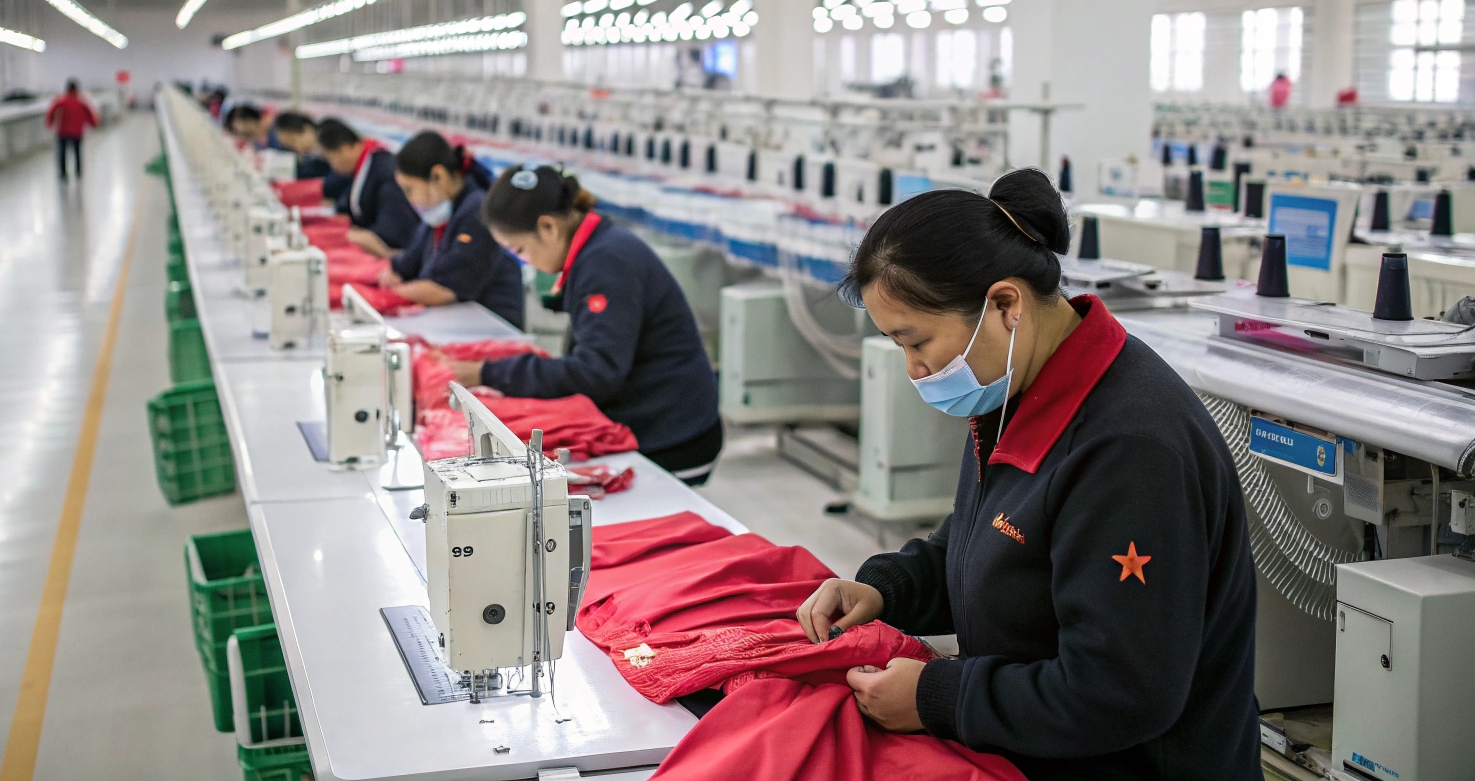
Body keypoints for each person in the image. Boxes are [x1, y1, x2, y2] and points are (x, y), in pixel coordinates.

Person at [796, 168, 1259, 781]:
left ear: (1005, 304)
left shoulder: (1128, 450)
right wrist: (887, 591)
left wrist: (937, 696)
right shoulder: (1016, 390)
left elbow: (1120, 693)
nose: (914, 369)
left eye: (917, 341)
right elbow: (987, 549)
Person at [450, 164, 723, 485]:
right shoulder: (595, 246)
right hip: (652, 413)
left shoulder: (605, 264)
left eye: (519, 251)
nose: (523, 262)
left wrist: (490, 373)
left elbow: (597, 372)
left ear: (548, 227)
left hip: (674, 435)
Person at [377, 131, 524, 328]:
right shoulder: (440, 215)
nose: (409, 199)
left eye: (410, 189)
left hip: (489, 328)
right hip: (455, 322)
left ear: (437, 176)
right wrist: (396, 273)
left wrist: (384, 296)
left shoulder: (478, 212)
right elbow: (407, 263)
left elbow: (444, 290)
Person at [316, 118, 421, 257]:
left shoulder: (385, 173)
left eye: (331, 159)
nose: (332, 166)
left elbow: (394, 234)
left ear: (345, 148)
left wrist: (363, 236)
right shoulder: (366, 166)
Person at [45, 79, 99, 180]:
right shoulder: (81, 101)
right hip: (77, 132)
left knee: (62, 153)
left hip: (63, 132)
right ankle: (78, 171)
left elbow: (52, 110)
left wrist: (50, 123)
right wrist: (94, 124)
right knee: (77, 152)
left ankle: (63, 173)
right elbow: (90, 113)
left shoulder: (61, 100)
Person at [272, 111, 342, 183]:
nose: (296, 148)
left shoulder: (331, 137)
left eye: (293, 141)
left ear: (307, 129)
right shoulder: (313, 159)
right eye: (290, 146)